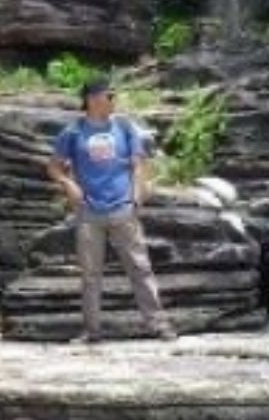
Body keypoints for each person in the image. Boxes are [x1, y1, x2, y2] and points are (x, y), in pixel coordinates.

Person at [46, 77, 176, 343]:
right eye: (110, 96)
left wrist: (136, 198)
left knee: (140, 268)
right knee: (90, 275)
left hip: (123, 209)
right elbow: (54, 166)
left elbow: (139, 163)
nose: (114, 101)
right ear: (93, 99)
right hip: (88, 212)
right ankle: (92, 331)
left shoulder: (125, 127)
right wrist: (67, 182)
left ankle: (159, 325)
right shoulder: (72, 133)